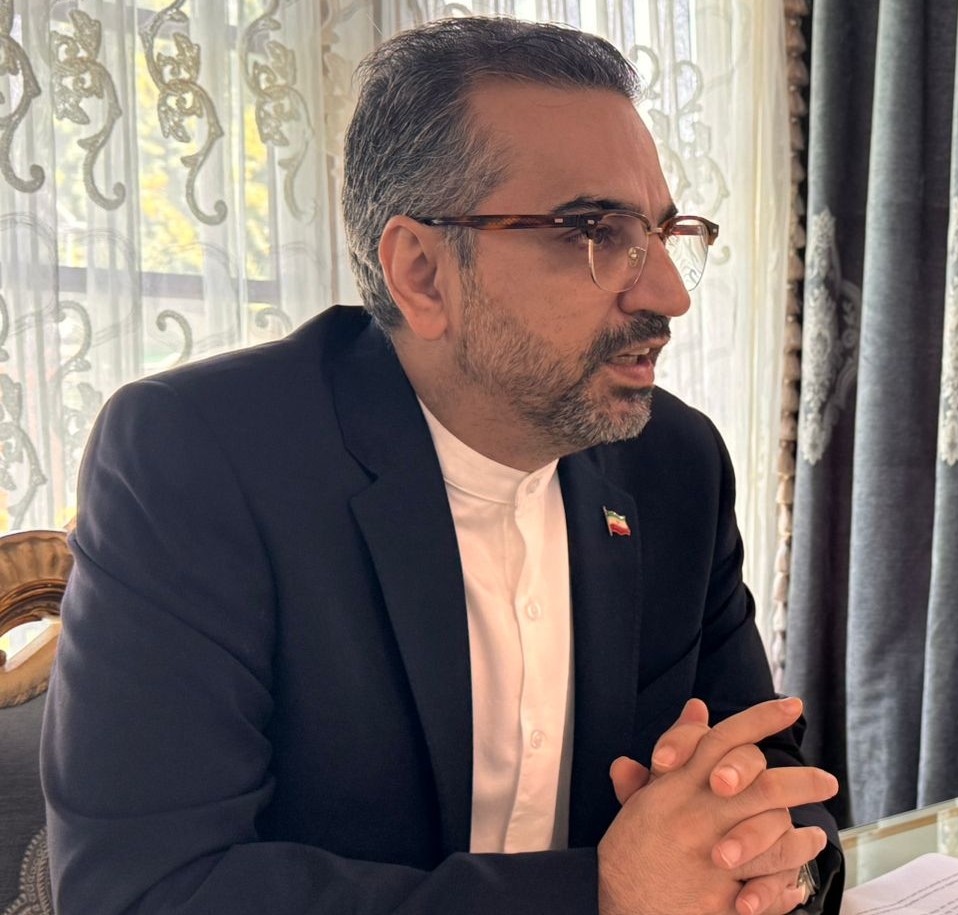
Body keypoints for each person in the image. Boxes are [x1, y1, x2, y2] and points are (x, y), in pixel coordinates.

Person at [41, 17, 841, 915]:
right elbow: (144, 890)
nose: (669, 292)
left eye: (662, 232)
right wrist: (603, 896)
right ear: (422, 273)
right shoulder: (200, 457)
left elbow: (767, 767)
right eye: (596, 231)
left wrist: (775, 862)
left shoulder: (672, 463)